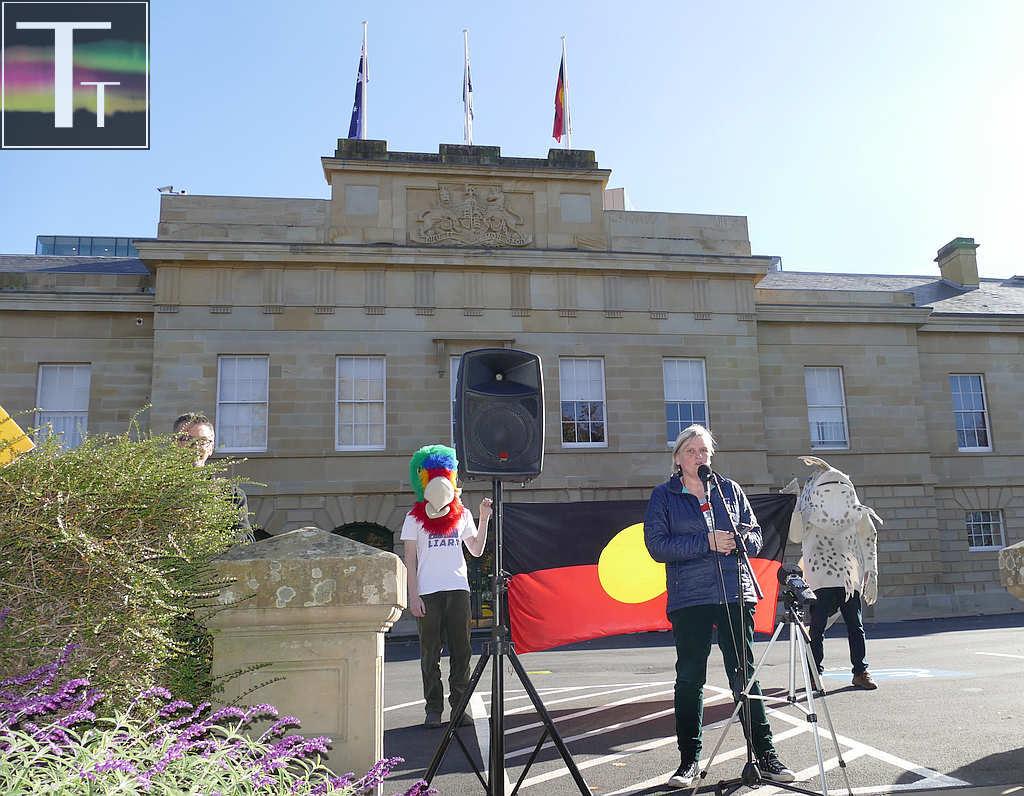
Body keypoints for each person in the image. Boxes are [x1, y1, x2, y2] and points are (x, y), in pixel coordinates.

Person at [644, 424, 795, 787]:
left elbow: (757, 535)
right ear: (678, 458)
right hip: (690, 598)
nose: (700, 457)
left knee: (745, 676)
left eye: (705, 452)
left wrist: (741, 540)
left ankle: (766, 755)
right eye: (692, 452)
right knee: (690, 679)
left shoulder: (729, 490)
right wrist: (706, 542)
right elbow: (657, 547)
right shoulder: (664, 496)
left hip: (733, 592)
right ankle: (688, 761)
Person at [401, 444, 491, 729]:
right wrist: (412, 596)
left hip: (457, 589)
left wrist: (484, 517)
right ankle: (433, 708)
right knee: (430, 652)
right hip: (428, 592)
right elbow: (410, 560)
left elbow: (476, 550)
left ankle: (459, 708)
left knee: (462, 651)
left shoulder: (462, 514)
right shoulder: (414, 518)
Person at [173, 412, 254, 544]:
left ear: (211, 447)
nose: (195, 446)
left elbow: (246, 540)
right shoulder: (154, 489)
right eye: (187, 439)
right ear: (175, 444)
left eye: (202, 441)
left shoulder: (231, 495)